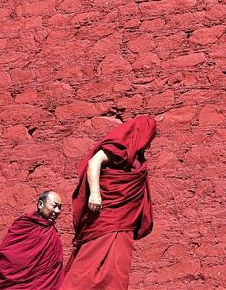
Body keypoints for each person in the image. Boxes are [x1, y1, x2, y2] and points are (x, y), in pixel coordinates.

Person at [62, 116, 156, 290]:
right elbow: (94, 162)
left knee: (116, 271)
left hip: (123, 222)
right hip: (105, 219)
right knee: (88, 267)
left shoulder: (137, 160)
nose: (150, 144)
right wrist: (95, 194)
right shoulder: (119, 147)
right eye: (149, 138)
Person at [0, 190, 65, 289]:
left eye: (59, 207)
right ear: (40, 204)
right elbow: (7, 252)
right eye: (54, 206)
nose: (57, 211)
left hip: (45, 284)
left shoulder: (52, 233)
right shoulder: (23, 224)